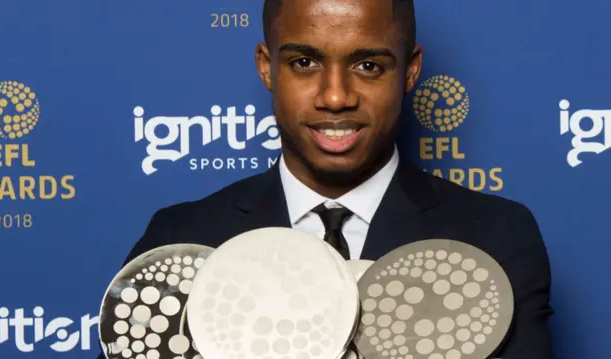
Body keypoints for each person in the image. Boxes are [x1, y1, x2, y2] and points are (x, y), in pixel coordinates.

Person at [97, 0, 553, 358]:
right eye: (304, 63)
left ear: (410, 71)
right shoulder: (180, 240)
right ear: (266, 66)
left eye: (368, 66)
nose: (336, 96)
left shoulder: (493, 240)